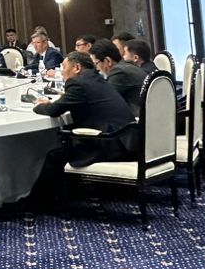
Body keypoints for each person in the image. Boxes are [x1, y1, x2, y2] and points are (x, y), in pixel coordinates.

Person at [32, 52, 138, 192]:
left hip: (110, 144)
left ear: (77, 68)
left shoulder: (77, 83)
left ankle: (38, 201)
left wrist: (38, 106)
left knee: (54, 156)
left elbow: (53, 111)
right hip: (127, 141)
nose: (62, 72)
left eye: (64, 67)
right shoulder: (96, 78)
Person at [90, 39, 145, 115]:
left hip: (138, 118)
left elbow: (105, 101)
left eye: (96, 63)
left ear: (108, 60)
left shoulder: (119, 72)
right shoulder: (127, 65)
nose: (96, 68)